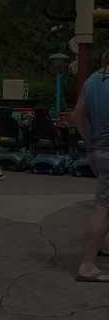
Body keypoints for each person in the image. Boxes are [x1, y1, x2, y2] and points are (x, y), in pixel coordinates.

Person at [74, 49, 109, 282]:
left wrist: (89, 141)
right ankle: (86, 265)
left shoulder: (92, 81)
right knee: (102, 205)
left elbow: (77, 115)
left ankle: (103, 245)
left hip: (98, 151)